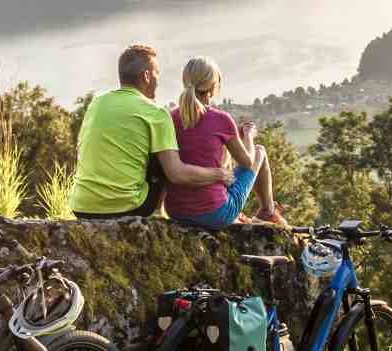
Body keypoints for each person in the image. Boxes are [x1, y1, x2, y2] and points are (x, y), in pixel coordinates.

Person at [71, 43, 231, 219]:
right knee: (164, 156)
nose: (158, 80)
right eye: (157, 73)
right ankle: (158, 212)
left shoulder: (97, 103)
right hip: (127, 208)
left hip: (81, 206)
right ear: (146, 76)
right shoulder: (156, 113)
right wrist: (219, 174)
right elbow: (176, 174)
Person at [164, 57, 286, 228]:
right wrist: (248, 136)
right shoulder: (221, 119)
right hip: (215, 214)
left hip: (176, 212)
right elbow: (247, 162)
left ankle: (262, 210)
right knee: (259, 151)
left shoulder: (168, 118)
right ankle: (268, 211)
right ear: (214, 87)